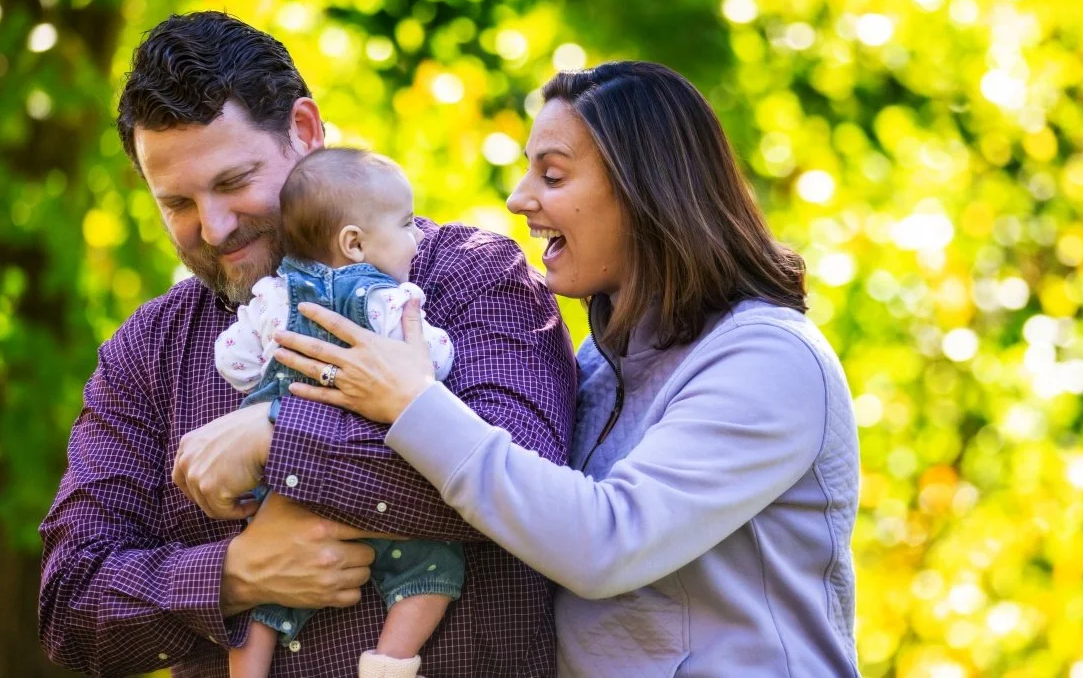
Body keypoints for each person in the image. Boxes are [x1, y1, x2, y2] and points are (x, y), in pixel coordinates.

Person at [272, 61, 861, 676]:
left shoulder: (769, 360)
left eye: (551, 175)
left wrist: (413, 402)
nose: (519, 198)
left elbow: (608, 543)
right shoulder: (601, 369)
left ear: (646, 190)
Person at [38, 11, 576, 678]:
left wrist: (279, 435)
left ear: (306, 130)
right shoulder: (147, 355)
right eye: (176, 201)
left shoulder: (470, 276)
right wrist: (234, 573)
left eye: (233, 182)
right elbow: (71, 604)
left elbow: (533, 486)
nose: (213, 226)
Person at [217, 148, 460, 678]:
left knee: (262, 592)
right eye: (404, 224)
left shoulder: (274, 296)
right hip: (381, 480)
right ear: (354, 242)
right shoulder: (388, 300)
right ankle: (389, 663)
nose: (417, 237)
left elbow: (233, 360)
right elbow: (433, 360)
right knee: (432, 573)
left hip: (286, 488)